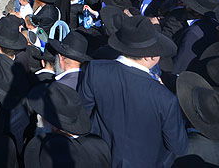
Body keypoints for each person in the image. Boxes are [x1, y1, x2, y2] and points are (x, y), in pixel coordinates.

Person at [79, 15, 187, 167]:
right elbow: (178, 146)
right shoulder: (165, 98)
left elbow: (82, 115)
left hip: (98, 159)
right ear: (151, 56)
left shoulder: (94, 70)